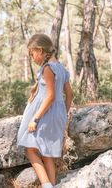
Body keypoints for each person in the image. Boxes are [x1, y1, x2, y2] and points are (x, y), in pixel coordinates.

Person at [17, 33, 74, 187]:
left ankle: (46, 185)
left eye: (32, 54)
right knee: (47, 154)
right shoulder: (61, 68)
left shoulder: (48, 68)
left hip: (44, 115)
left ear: (40, 50)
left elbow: (50, 96)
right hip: (56, 115)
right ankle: (52, 185)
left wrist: (35, 118)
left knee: (30, 149)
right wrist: (63, 113)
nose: (33, 58)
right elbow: (69, 94)